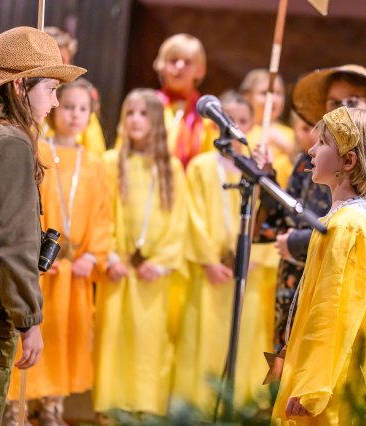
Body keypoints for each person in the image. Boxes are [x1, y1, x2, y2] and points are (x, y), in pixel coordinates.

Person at [259, 64, 366, 352]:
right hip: (295, 275)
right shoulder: (307, 162)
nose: (341, 108)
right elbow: (282, 218)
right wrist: (266, 181)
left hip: (336, 282)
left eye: (350, 101)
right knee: (288, 353)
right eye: (334, 102)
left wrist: (298, 242)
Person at [271, 107, 366, 425]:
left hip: (332, 378)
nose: (311, 150)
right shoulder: (338, 220)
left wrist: (312, 383)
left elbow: (335, 310)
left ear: (348, 161)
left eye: (322, 143)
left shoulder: (348, 226)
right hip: (323, 368)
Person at [4, 79, 111, 426]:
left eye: (83, 109)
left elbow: (103, 216)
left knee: (64, 341)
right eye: (65, 104)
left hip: (73, 270)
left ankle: (53, 407)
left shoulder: (94, 164)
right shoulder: (33, 147)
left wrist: (93, 255)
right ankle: (15, 408)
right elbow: (22, 212)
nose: (74, 114)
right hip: (37, 268)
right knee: (28, 340)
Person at [0, 26, 85, 422]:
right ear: (19, 87)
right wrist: (29, 319)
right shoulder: (12, 143)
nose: (55, 102)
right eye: (50, 89)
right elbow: (13, 242)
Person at [172, 91, 276, 411]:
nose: (236, 126)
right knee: (203, 336)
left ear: (252, 125)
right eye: (230, 119)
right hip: (211, 271)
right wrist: (207, 260)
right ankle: (198, 407)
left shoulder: (258, 171)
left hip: (248, 270)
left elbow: (268, 216)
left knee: (243, 338)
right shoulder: (202, 167)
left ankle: (239, 406)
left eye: (243, 120)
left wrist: (256, 257)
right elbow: (192, 214)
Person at [93, 89, 187, 416]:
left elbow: (179, 221)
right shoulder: (110, 162)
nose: (135, 120)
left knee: (148, 341)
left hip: (152, 273)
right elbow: (100, 213)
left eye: (143, 114)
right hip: (118, 267)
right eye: (130, 113)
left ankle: (144, 409)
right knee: (113, 339)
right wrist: (110, 255)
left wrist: (161, 263)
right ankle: (109, 409)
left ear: (157, 121)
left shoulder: (171, 168)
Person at [152, 33, 217, 167]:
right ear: (161, 66)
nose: (180, 66)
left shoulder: (207, 113)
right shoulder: (149, 106)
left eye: (188, 62)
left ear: (200, 70)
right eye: (173, 60)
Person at [43, 27, 107, 155]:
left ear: (69, 63)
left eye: (61, 60)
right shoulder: (25, 98)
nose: (54, 66)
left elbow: (95, 154)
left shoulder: (80, 103)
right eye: (49, 59)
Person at [239, 69, 295, 187]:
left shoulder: (292, 135)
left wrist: (289, 149)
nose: (273, 99)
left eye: (278, 93)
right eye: (265, 93)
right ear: (247, 96)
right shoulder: (240, 132)